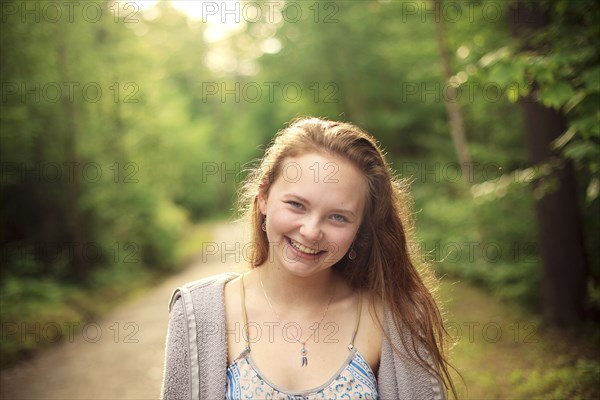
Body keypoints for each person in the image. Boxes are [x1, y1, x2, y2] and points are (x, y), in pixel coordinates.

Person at [161, 117, 456, 399]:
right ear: (263, 196)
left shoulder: (396, 317)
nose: (312, 231)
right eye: (297, 205)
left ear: (361, 228)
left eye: (338, 217)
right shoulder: (198, 313)